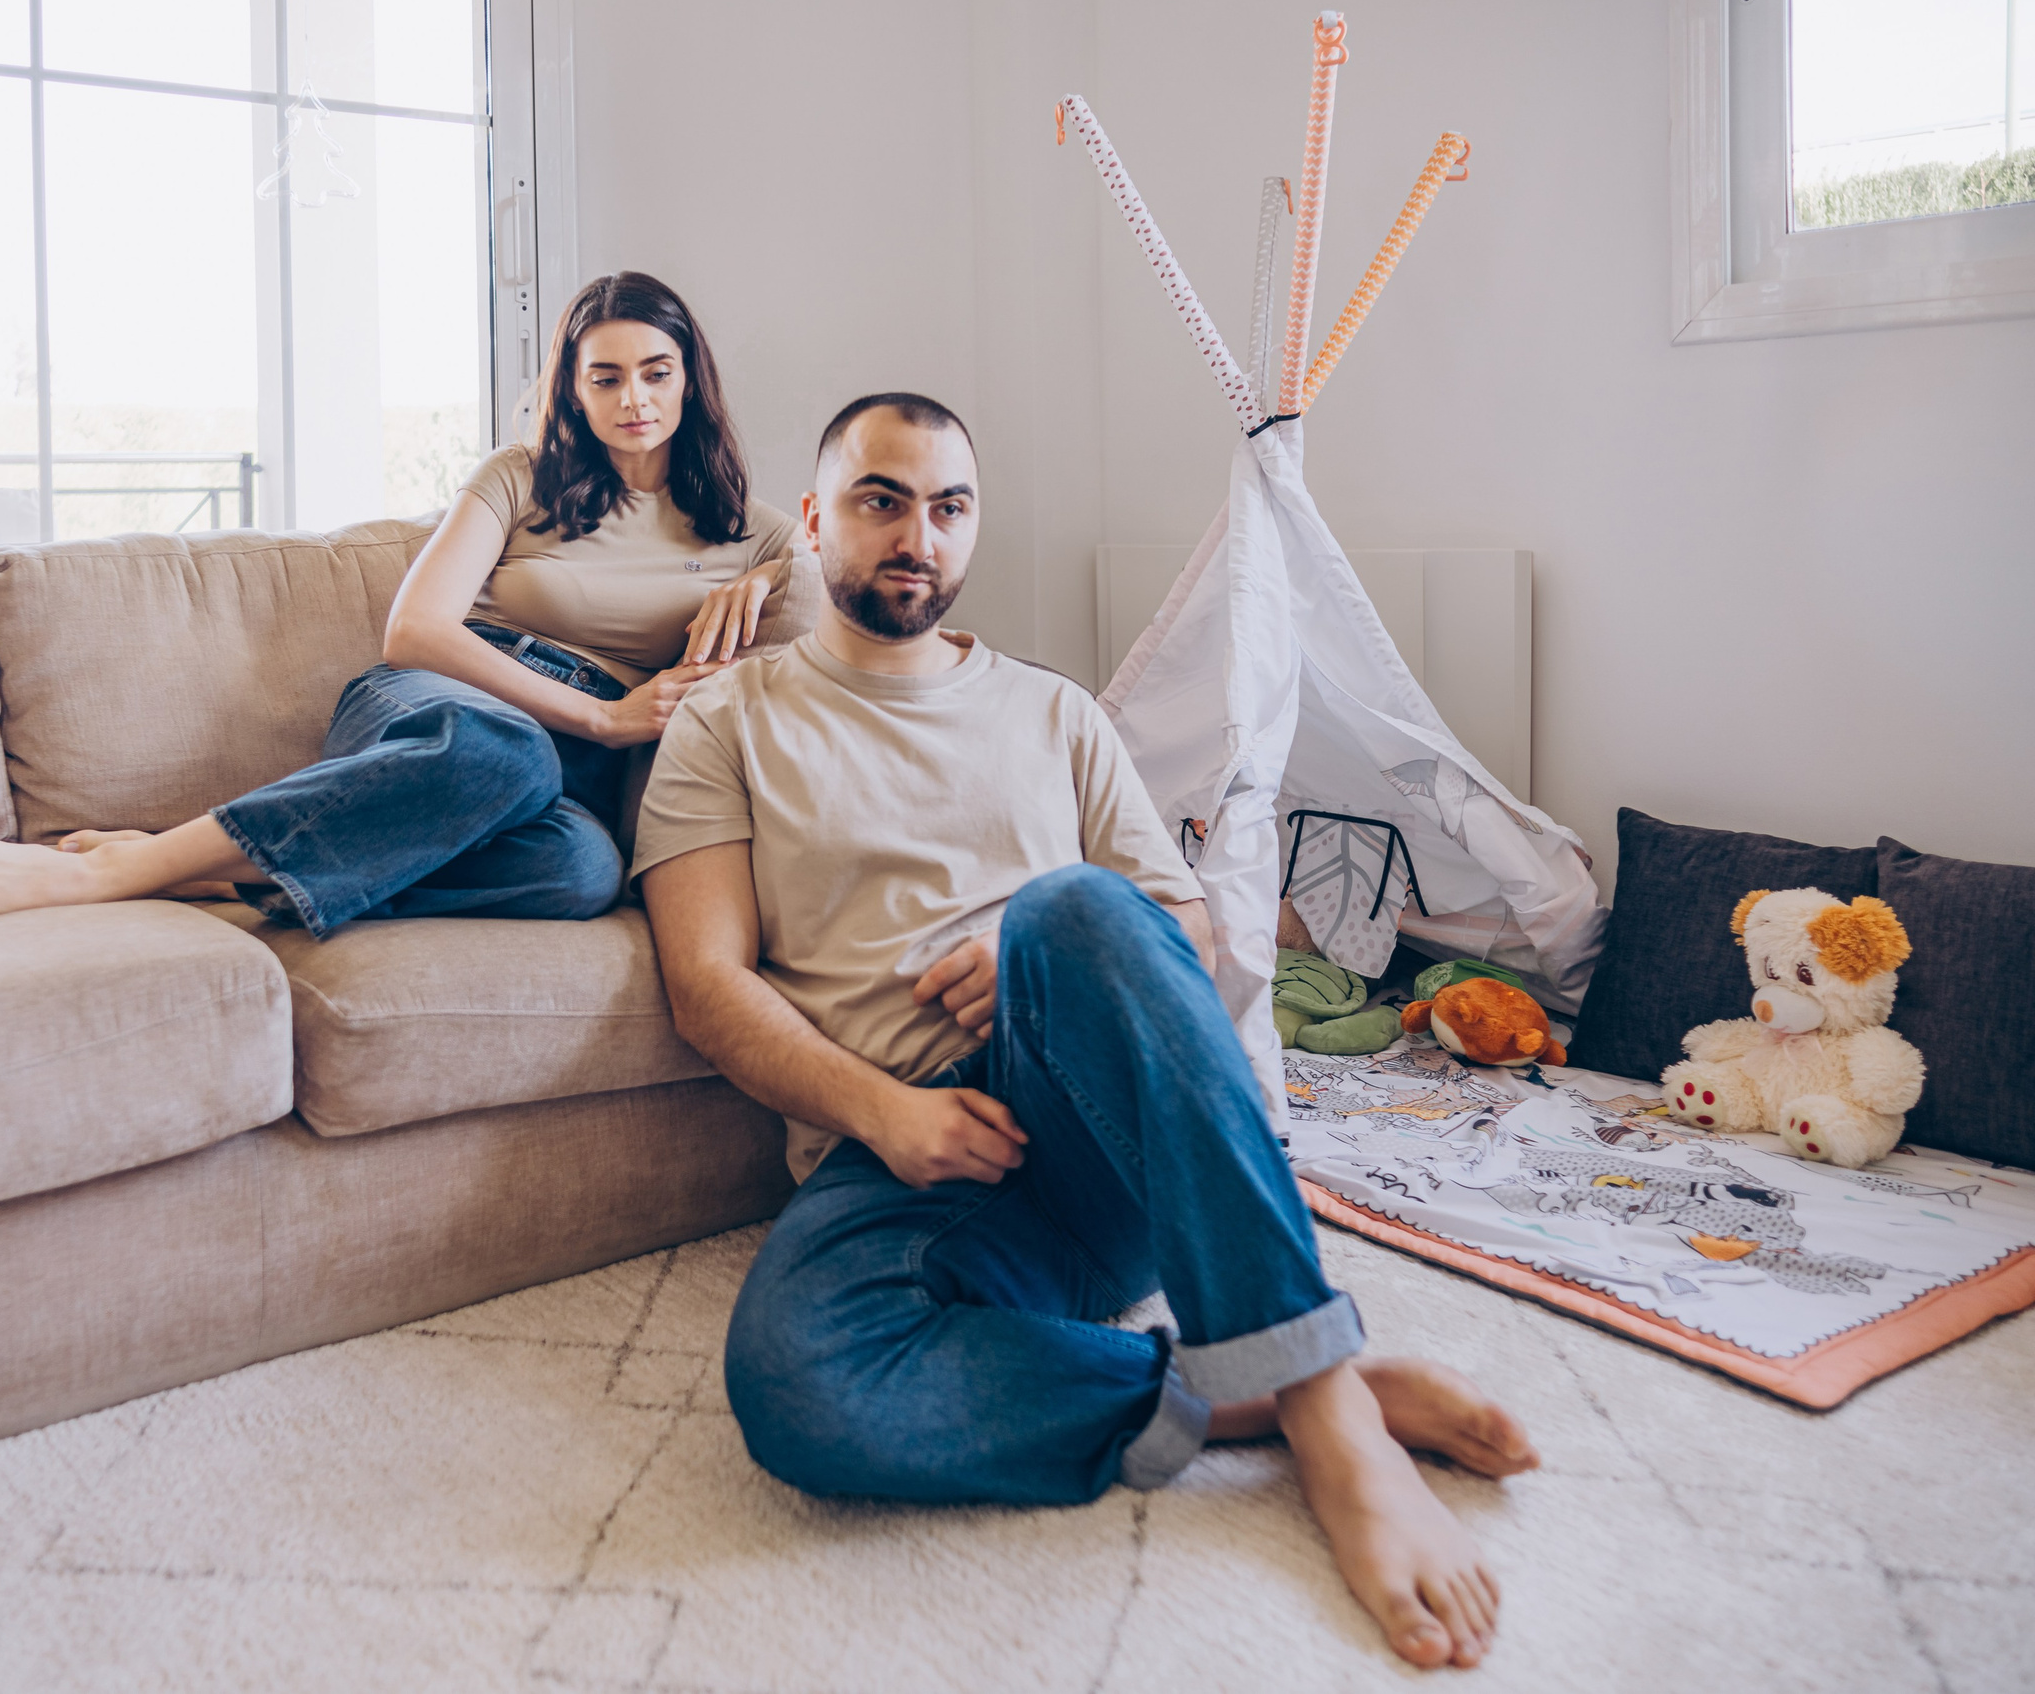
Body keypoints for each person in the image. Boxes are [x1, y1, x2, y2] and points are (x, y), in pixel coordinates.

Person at [632, 393, 1539, 1672]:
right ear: (814, 518)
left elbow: (1191, 937)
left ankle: (1332, 1414)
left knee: (1074, 907)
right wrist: (888, 1113)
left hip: (1100, 1138)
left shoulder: (1058, 714)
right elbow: (706, 986)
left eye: (949, 508)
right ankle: (1251, 1395)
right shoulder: (728, 721)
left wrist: (1024, 941)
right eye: (882, 500)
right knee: (796, 1387)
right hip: (906, 1169)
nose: (917, 536)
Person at [0, 272, 799, 931]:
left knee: (583, 871)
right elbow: (416, 628)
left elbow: (843, 552)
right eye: (605, 377)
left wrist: (772, 572)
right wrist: (605, 718)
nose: (633, 398)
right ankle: (118, 871)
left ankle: (230, 873)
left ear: (691, 377)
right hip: (450, 711)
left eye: (655, 371)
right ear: (571, 386)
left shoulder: (750, 531)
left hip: (557, 786)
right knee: (512, 755)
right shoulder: (520, 478)